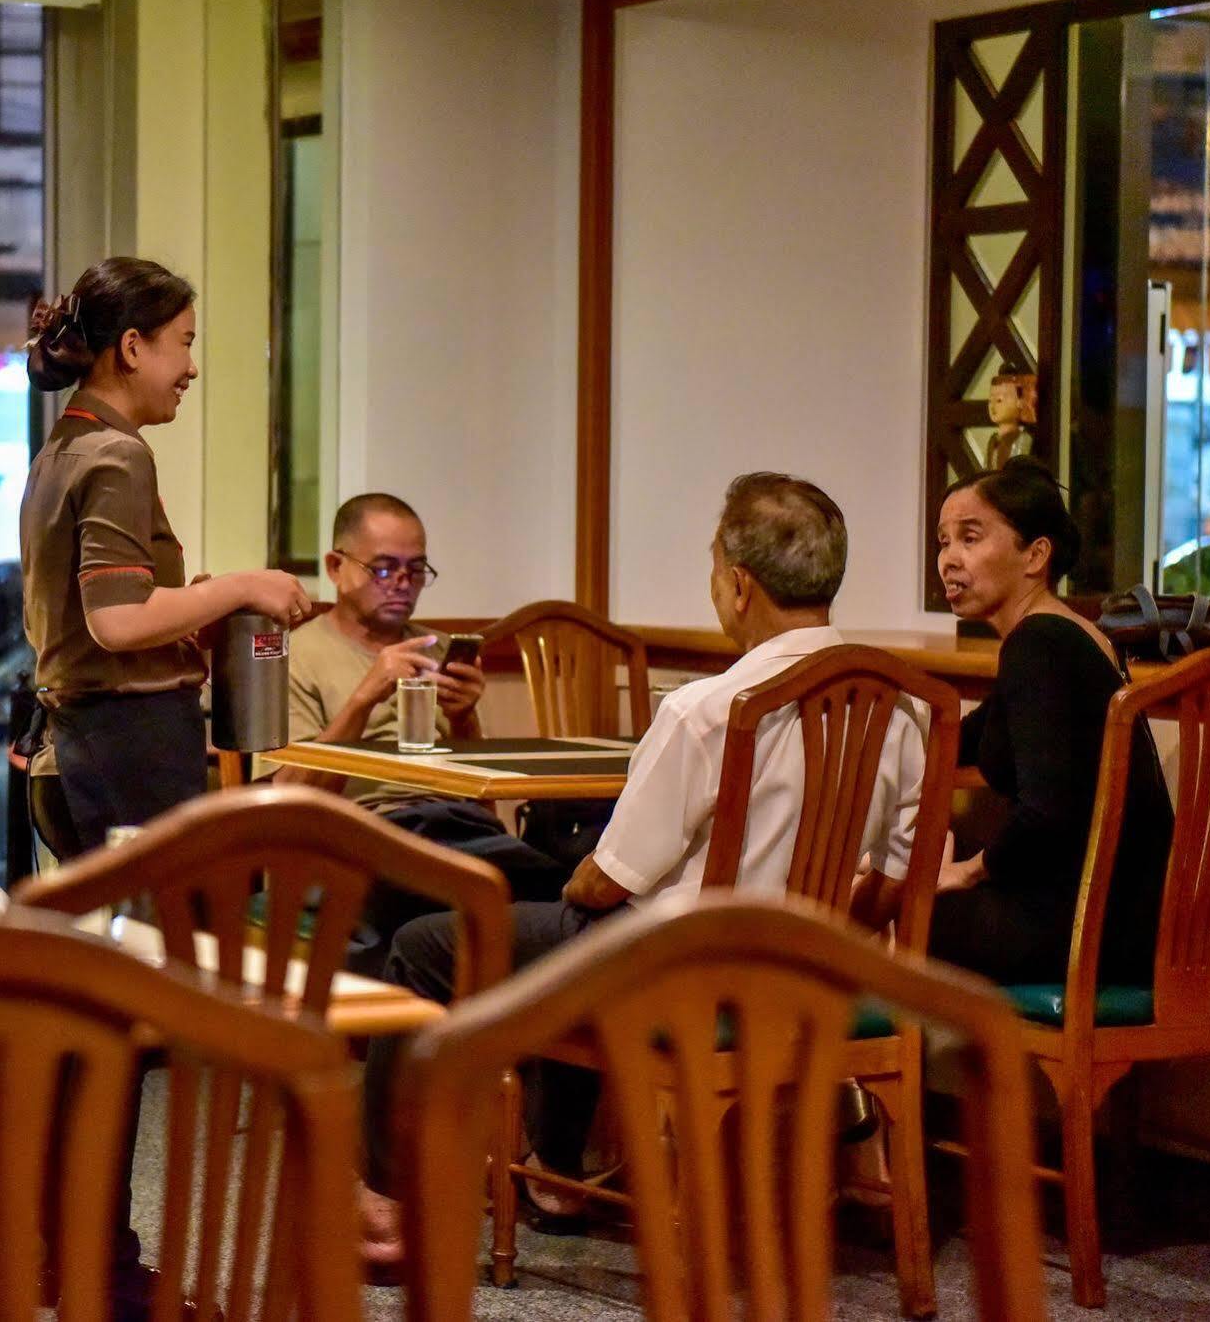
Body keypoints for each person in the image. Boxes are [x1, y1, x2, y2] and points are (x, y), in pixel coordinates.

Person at [356, 472, 928, 1263]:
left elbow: (609, 881)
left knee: (436, 942)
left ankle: (387, 1204)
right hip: (813, 976)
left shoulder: (707, 708)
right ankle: (553, 1169)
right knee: (557, 931)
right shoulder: (902, 709)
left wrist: (574, 886)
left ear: (736, 584)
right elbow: (894, 882)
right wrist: (820, 950)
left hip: (678, 972)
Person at [19, 257, 311, 856]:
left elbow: (89, 616)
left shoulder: (63, 447)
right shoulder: (117, 453)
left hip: (76, 751)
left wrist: (192, 613)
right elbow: (118, 620)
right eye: (183, 344)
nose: (191, 368)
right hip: (127, 753)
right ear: (131, 346)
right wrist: (243, 587)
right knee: (163, 946)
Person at [257, 493, 567, 971]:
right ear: (336, 567)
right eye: (384, 569)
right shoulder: (296, 655)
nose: (402, 585)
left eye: (415, 570)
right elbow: (288, 801)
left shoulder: (436, 650)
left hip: (455, 828)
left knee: (558, 890)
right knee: (430, 897)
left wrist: (464, 716)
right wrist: (365, 697)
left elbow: (481, 802)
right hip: (360, 833)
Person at [926, 457, 1173, 985]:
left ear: (1036, 554)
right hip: (1117, 920)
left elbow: (1046, 815)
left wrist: (964, 872)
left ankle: (870, 1063)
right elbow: (961, 740)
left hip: (1084, 929)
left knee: (897, 910)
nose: (949, 560)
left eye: (970, 538)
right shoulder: (1068, 634)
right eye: (943, 542)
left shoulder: (1038, 644)